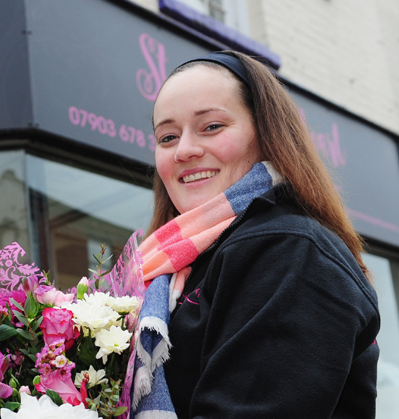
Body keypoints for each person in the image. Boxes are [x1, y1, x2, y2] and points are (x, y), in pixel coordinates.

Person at [130, 50, 379, 418]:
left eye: (211, 126)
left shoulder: (290, 250)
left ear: (267, 135)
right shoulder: (170, 272)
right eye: (167, 137)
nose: (184, 150)